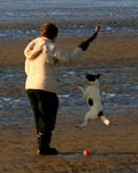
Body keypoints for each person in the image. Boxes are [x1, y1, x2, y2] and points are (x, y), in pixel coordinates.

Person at [24, 23, 100, 155]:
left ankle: (42, 146)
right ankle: (44, 147)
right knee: (48, 117)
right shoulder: (51, 46)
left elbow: (27, 69)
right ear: (54, 36)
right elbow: (69, 58)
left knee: (39, 117)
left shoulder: (33, 47)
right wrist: (84, 44)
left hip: (30, 86)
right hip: (45, 87)